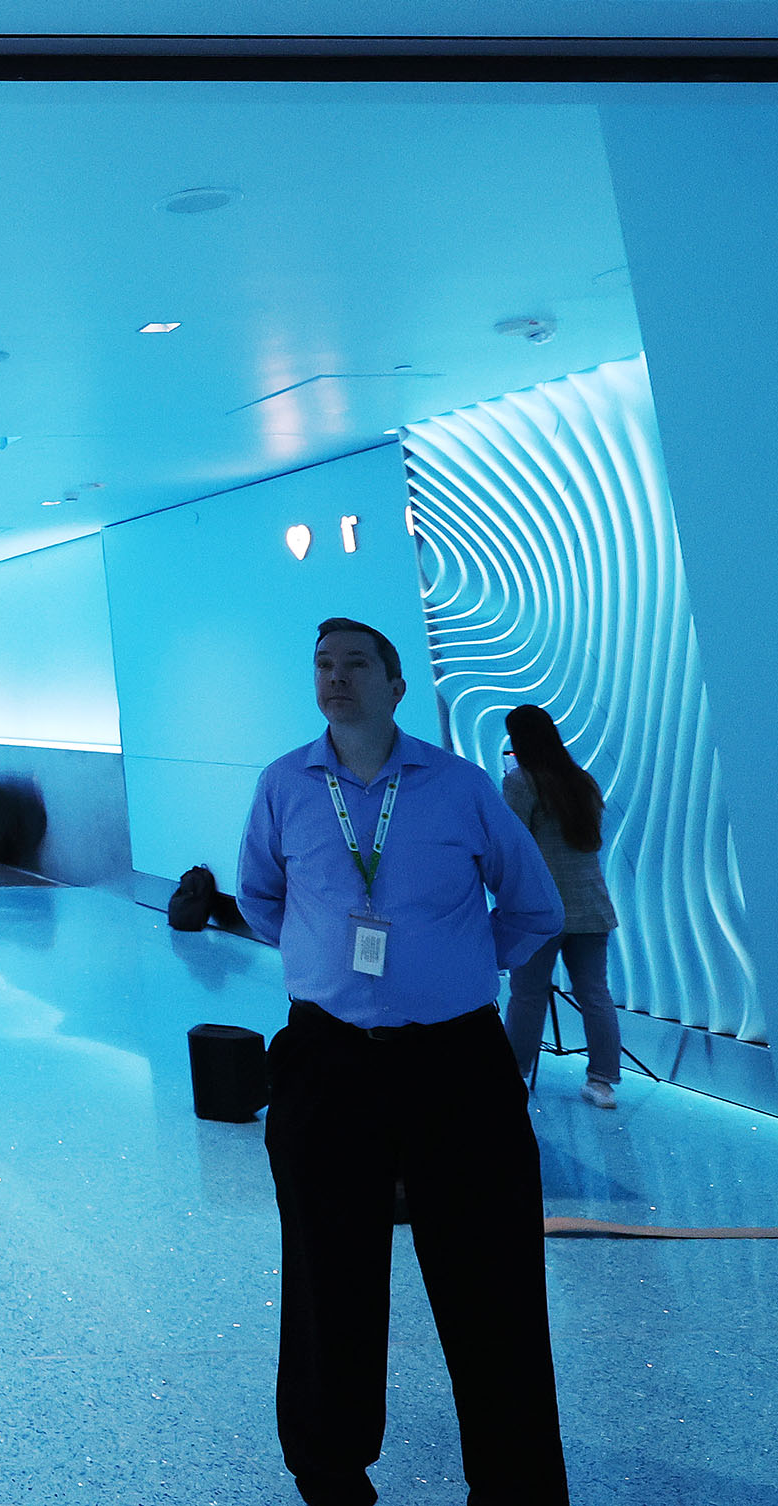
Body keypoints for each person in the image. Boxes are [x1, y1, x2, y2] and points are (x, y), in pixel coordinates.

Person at [237, 618, 569, 1506]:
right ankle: (330, 1467)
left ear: (395, 685)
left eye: (355, 665)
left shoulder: (459, 788)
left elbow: (532, 908)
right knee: (325, 1270)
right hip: (328, 1057)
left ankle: (516, 1483)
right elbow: (261, 900)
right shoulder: (284, 786)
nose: (335, 679)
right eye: (322, 664)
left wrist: (453, 969)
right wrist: (334, 970)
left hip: (455, 1062)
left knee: (490, 1274)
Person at [496, 703, 621, 1109]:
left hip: (540, 910)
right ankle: (601, 1080)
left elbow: (513, 845)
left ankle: (514, 1074)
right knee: (595, 994)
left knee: (527, 996)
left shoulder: (520, 782)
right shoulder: (582, 781)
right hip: (591, 905)